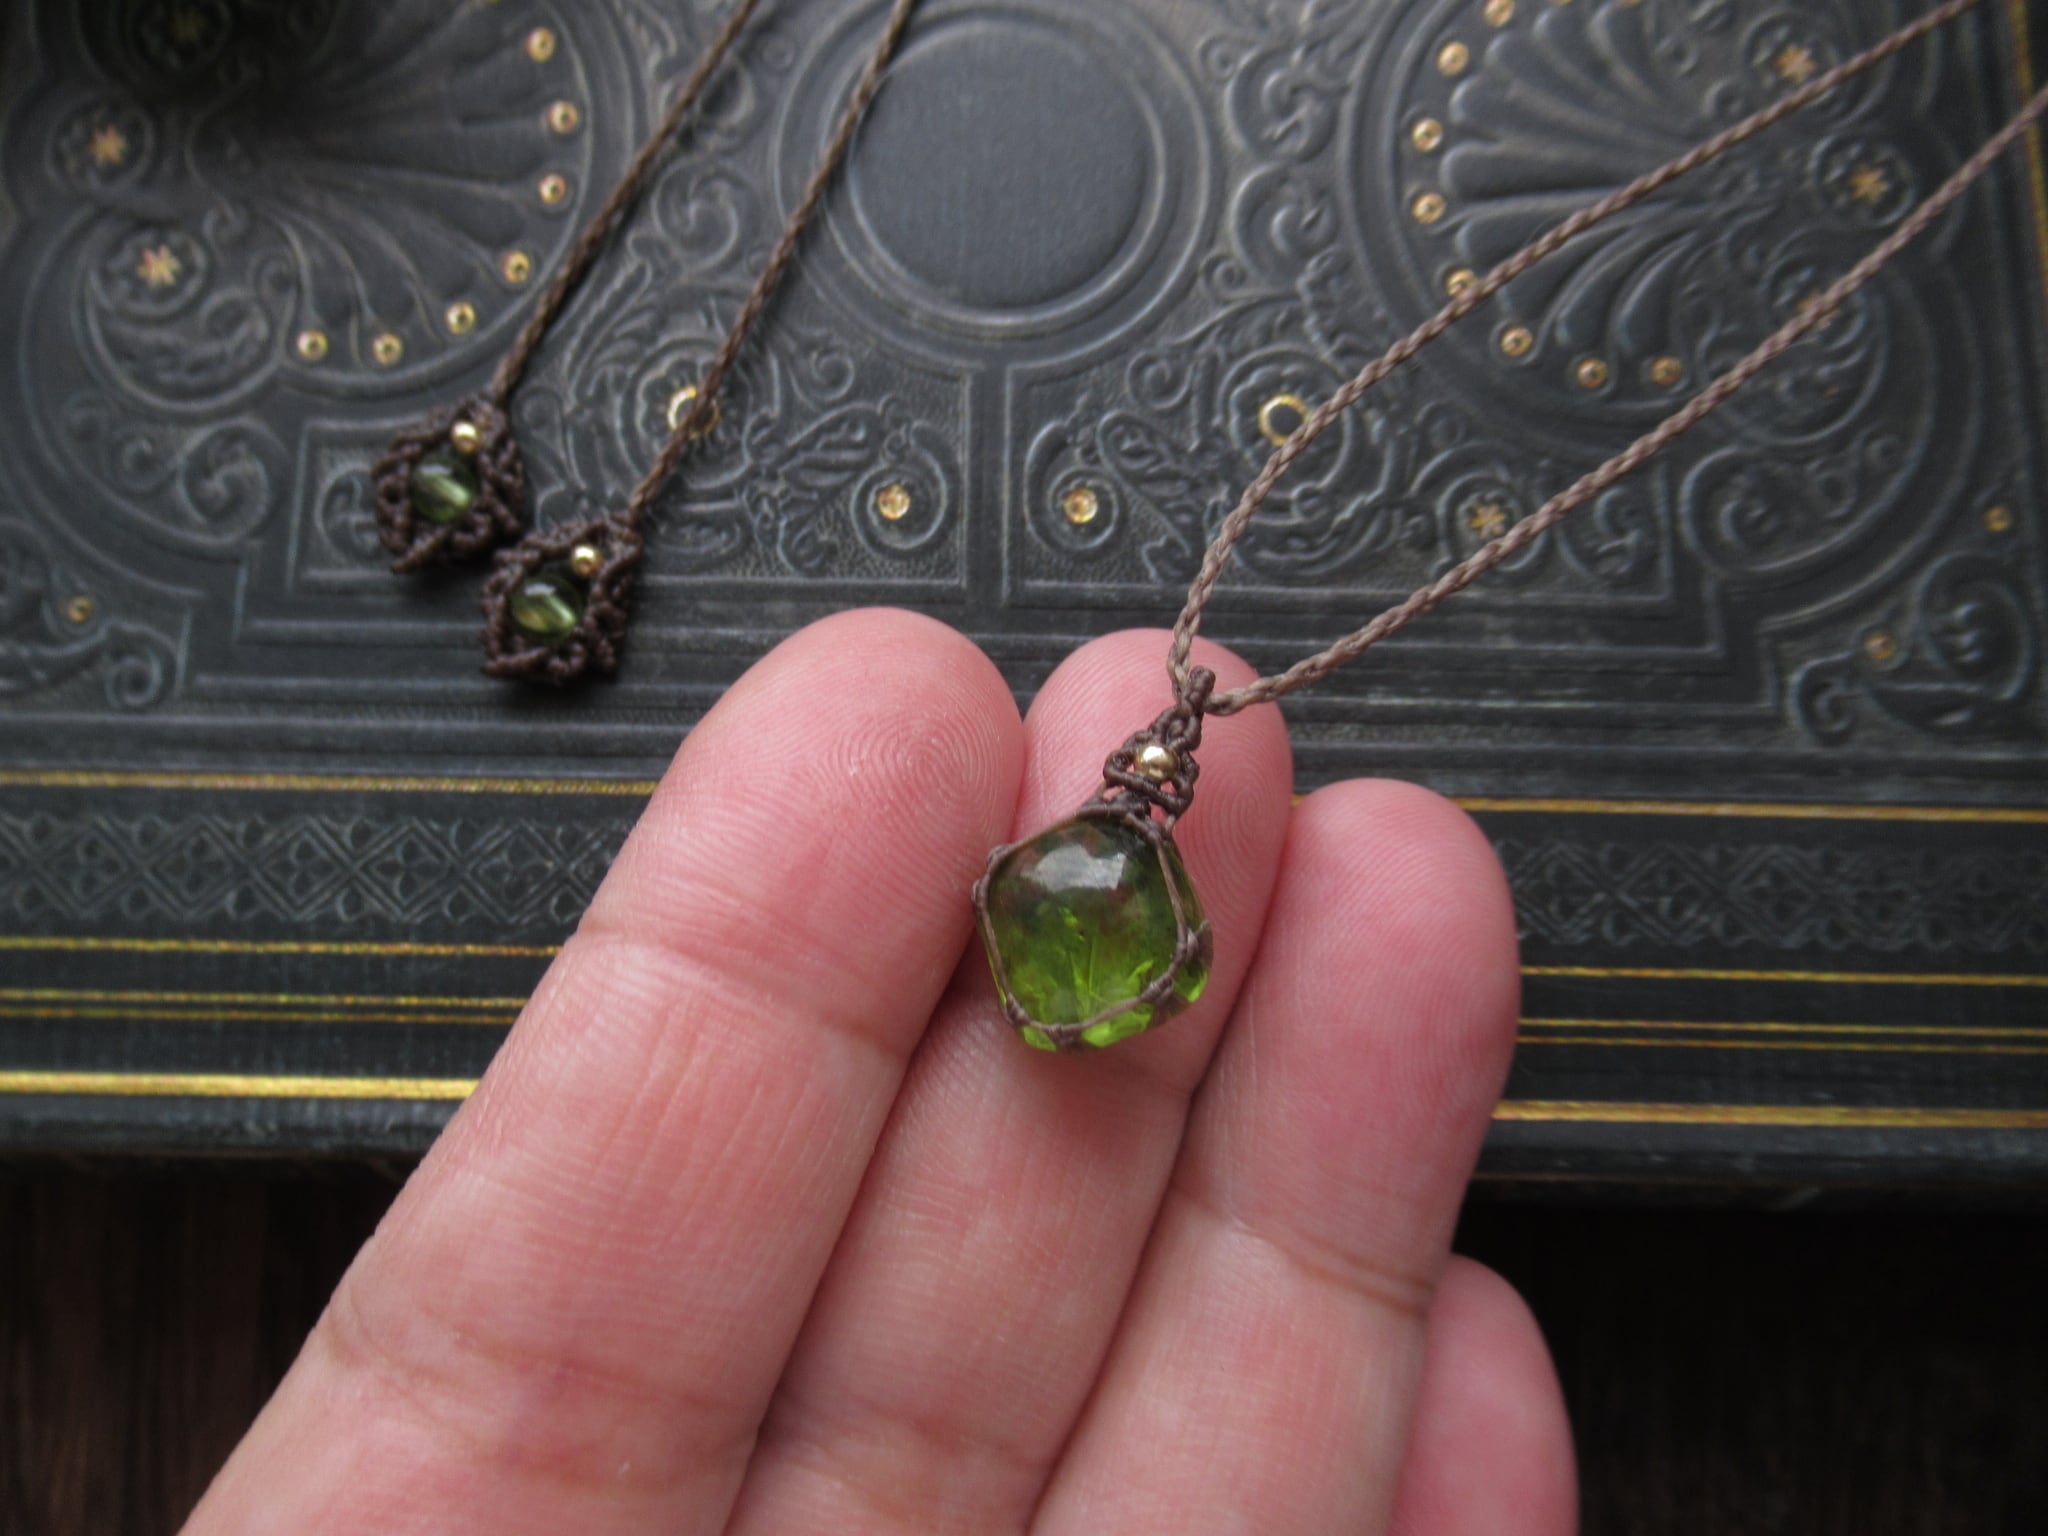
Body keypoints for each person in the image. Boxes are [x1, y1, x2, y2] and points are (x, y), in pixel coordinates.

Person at [183, 611, 1576, 1534]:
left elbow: (1159, 964)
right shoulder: (1084, 877)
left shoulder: (1105, 880)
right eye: (1151, 758)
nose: (1153, 765)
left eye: (1158, 761)